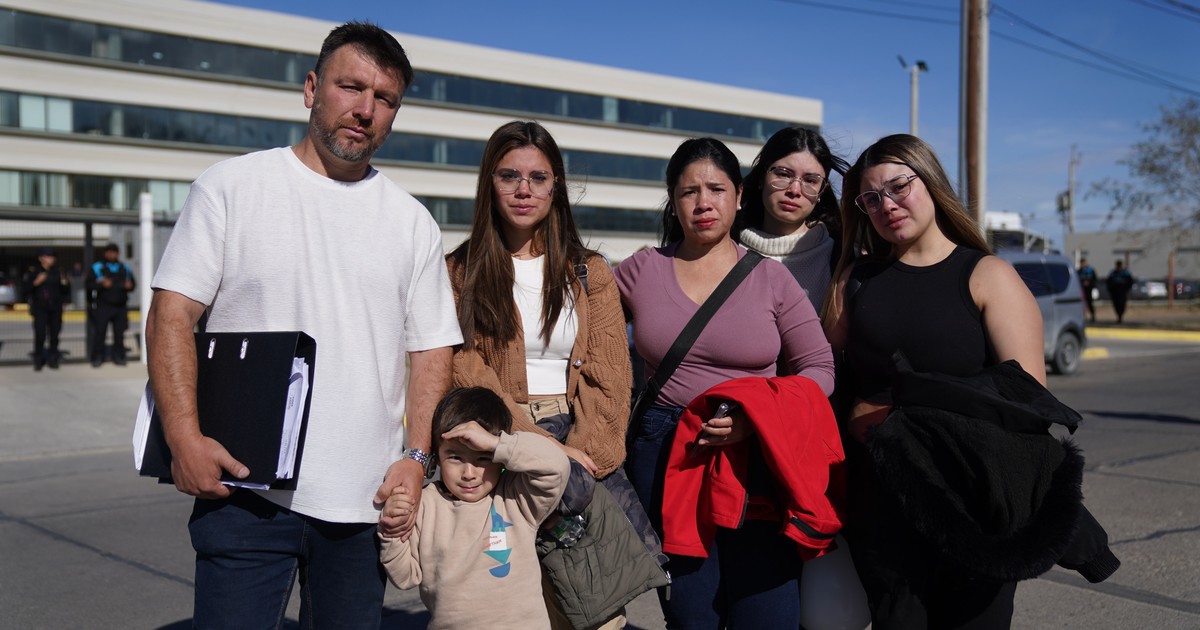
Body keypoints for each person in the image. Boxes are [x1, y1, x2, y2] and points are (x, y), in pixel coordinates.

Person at [144, 22, 461, 629]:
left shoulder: (412, 223)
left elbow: (430, 351)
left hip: (363, 501)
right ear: (312, 88)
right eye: (351, 87)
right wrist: (183, 439)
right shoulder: (231, 188)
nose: (365, 110)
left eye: (385, 99)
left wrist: (417, 458)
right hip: (244, 489)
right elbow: (171, 315)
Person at [822, 134, 1048, 628]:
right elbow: (819, 375)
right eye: (870, 198)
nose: (886, 205)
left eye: (898, 186)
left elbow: (1028, 399)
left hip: (976, 502)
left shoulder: (988, 275)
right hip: (881, 504)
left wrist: (906, 412)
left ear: (930, 181)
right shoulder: (854, 279)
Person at [615, 137, 837, 629]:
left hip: (758, 458)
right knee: (691, 615)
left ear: (739, 196)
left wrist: (758, 417)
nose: (703, 202)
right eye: (688, 191)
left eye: (716, 189)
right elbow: (575, 324)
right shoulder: (641, 270)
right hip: (665, 453)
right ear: (673, 201)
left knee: (769, 613)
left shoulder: (771, 279)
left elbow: (820, 368)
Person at [445, 120, 634, 629]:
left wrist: (584, 456)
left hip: (580, 437)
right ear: (490, 183)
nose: (524, 189)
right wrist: (539, 448)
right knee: (511, 607)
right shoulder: (459, 271)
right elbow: (465, 367)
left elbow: (611, 374)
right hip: (497, 442)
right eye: (509, 176)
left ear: (556, 187)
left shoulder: (588, 271)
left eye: (538, 177)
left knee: (595, 611)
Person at [379, 386, 569, 630]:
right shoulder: (425, 504)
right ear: (437, 456)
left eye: (483, 458)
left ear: (499, 458)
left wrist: (497, 443)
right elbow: (404, 577)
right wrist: (391, 528)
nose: (469, 473)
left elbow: (557, 466)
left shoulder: (515, 497)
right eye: (455, 457)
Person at [737, 126, 848, 307]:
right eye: (783, 174)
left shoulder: (842, 259)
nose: (794, 190)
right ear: (761, 177)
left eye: (810, 180)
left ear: (822, 190)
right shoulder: (724, 250)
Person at [86, 243, 136, 366]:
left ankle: (119, 356)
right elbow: (88, 285)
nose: (112, 254)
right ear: (105, 253)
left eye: (114, 252)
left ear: (118, 253)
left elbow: (133, 284)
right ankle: (97, 357)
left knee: (119, 334)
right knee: (100, 333)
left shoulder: (124, 267)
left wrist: (129, 286)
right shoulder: (97, 267)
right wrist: (101, 285)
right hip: (103, 306)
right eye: (109, 252)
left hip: (120, 307)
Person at [22, 247, 70, 370]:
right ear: (41, 258)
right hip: (40, 308)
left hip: (55, 308)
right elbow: (25, 290)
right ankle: (38, 359)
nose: (51, 259)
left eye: (53, 256)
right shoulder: (34, 272)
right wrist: (36, 282)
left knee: (54, 334)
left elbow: (65, 291)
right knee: (40, 334)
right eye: (48, 256)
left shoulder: (58, 272)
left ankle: (53, 359)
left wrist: (65, 282)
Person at [1078, 257, 1097, 322]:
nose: (1082, 264)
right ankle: (1083, 316)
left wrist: (1090, 284)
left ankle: (1092, 315)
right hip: (1082, 290)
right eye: (1081, 263)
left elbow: (1095, 279)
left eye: (1083, 263)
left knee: (1090, 302)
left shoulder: (1090, 270)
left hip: (1089, 289)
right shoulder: (1079, 271)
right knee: (1082, 303)